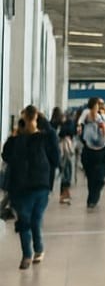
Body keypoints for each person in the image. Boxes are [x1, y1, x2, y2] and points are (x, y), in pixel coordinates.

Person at [2, 106, 61, 269]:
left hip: (40, 186)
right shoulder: (17, 140)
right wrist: (13, 136)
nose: (25, 123)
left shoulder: (44, 137)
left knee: (35, 220)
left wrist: (44, 127)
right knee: (24, 221)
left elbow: (55, 158)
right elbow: (6, 155)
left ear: (35, 120)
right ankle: (27, 254)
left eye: (27, 120)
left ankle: (39, 248)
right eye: (22, 121)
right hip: (20, 187)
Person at [77, 98, 105, 210]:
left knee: (99, 177)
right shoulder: (85, 116)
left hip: (102, 151)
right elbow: (79, 130)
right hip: (89, 151)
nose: (97, 108)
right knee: (91, 177)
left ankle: (93, 198)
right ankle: (91, 199)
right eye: (96, 106)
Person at [56, 108, 77, 205]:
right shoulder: (71, 124)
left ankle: (64, 194)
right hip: (67, 149)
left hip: (65, 149)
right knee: (67, 170)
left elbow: (61, 133)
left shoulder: (65, 124)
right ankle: (65, 194)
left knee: (65, 170)